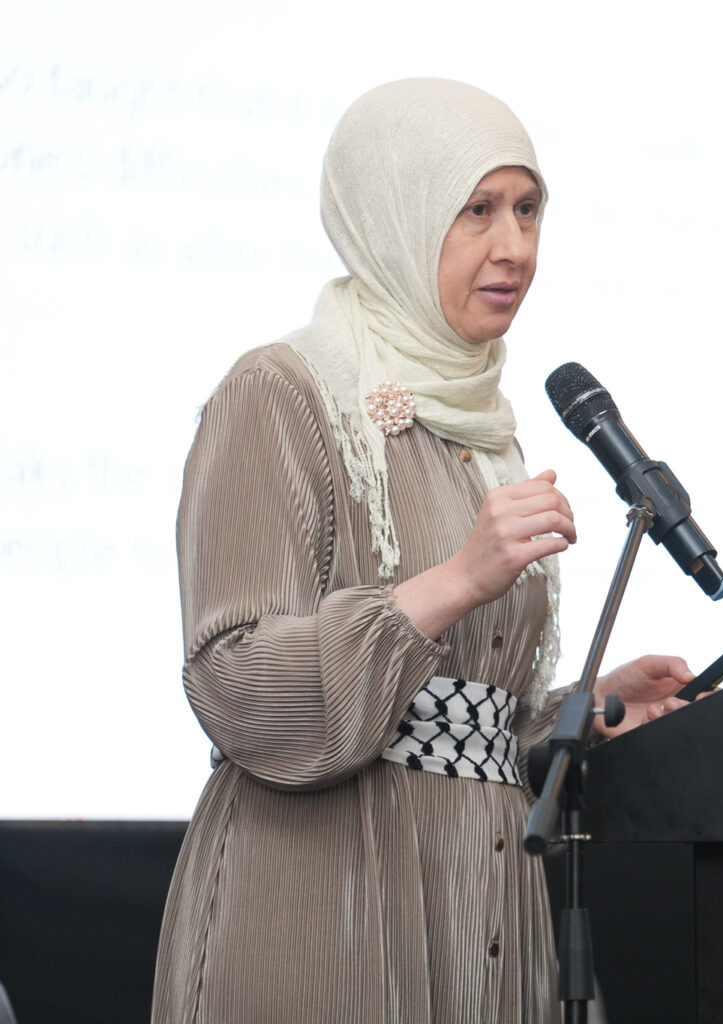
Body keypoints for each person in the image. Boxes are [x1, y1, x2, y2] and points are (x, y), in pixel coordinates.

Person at [152, 78, 695, 1023]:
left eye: (528, 209)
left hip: (481, 904)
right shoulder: (281, 393)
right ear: (393, 215)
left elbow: (462, 724)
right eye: (477, 210)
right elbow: (232, 681)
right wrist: (455, 581)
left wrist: (588, 706)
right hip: (325, 913)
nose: (515, 246)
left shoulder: (482, 426)